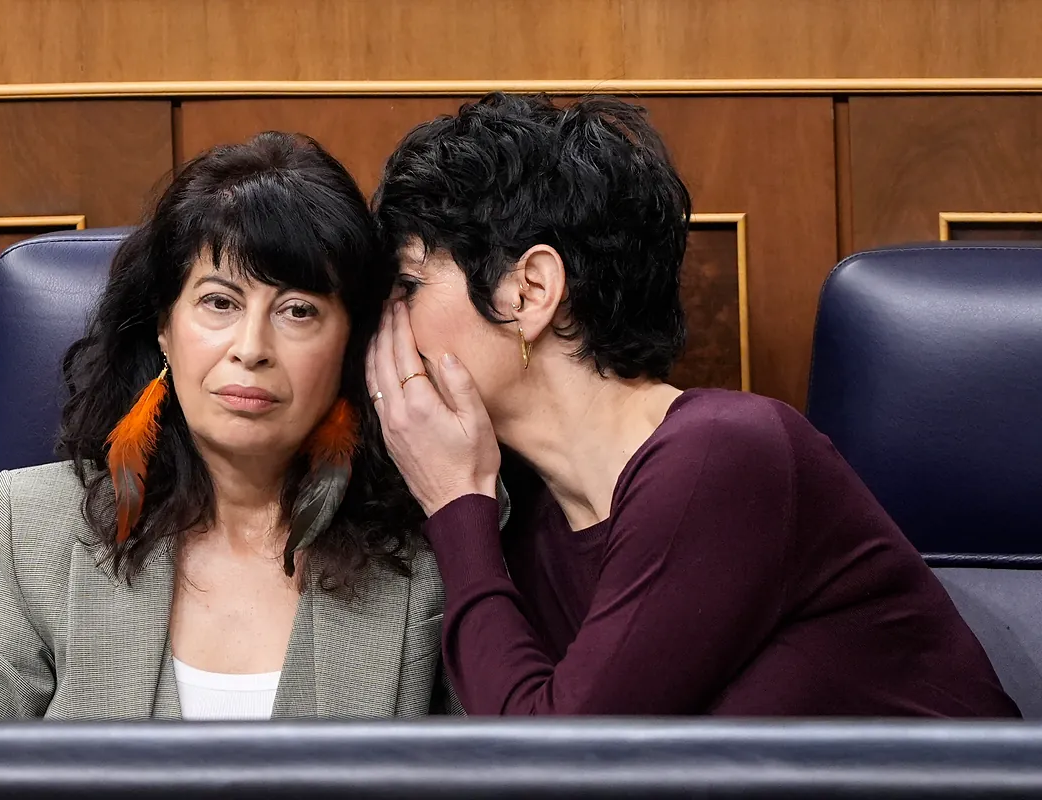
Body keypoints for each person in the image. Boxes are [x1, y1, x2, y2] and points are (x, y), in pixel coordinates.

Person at [366, 92, 1020, 717]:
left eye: (409, 284)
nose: (388, 328)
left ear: (530, 290)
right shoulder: (531, 524)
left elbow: (561, 760)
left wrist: (454, 504)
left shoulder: (724, 455)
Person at [0, 134, 457, 720]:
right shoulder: (43, 524)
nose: (251, 349)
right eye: (220, 303)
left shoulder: (429, 544)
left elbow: (504, 773)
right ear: (164, 329)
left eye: (298, 310)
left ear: (351, 344)